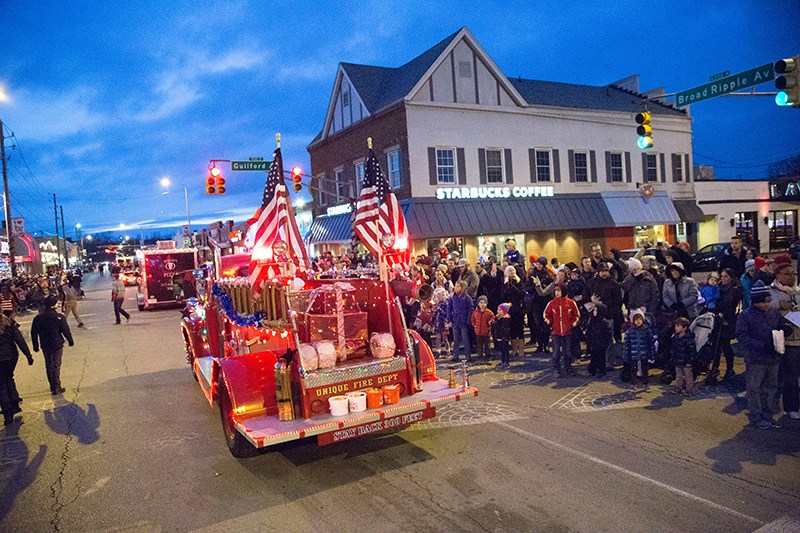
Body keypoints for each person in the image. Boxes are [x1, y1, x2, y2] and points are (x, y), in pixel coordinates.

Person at [736, 280, 791, 429]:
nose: (766, 305)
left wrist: (785, 327)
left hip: (773, 358)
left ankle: (768, 415)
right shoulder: (745, 316)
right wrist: (761, 346)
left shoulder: (772, 311)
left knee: (771, 387)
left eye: (768, 301)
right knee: (755, 388)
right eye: (763, 302)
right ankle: (755, 415)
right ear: (755, 302)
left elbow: (782, 322)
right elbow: (741, 336)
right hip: (756, 359)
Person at [768, 256, 800, 420]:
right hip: (782, 340)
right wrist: (777, 305)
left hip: (798, 339)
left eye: (793, 273)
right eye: (787, 273)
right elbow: (760, 306)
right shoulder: (771, 291)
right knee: (786, 377)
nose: (791, 276)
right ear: (778, 275)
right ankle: (788, 407)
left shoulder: (798, 291)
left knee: (791, 376)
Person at [31, 295, 74, 395]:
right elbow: (65, 330)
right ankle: (56, 386)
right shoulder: (59, 317)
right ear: (54, 305)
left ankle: (52, 385)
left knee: (48, 364)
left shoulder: (38, 318)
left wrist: (35, 345)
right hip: (56, 343)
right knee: (56, 365)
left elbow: (34, 333)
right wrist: (70, 340)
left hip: (45, 343)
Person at [709, 268, 743, 382]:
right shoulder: (720, 287)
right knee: (715, 345)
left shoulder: (734, 290)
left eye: (726, 276)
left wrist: (721, 311)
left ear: (731, 278)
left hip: (728, 321)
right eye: (722, 276)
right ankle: (715, 367)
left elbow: (728, 304)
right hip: (718, 319)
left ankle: (729, 369)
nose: (723, 279)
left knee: (725, 345)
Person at [0, 312, 33, 425]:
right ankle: (14, 403)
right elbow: (19, 340)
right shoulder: (9, 322)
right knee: (9, 377)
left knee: (1, 384)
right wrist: (28, 355)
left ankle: (7, 412)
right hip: (11, 356)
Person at [543, 284, 580, 377]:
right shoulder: (551, 303)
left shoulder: (571, 303)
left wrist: (571, 324)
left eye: (558, 290)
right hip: (555, 332)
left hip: (567, 332)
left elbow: (576, 315)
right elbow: (546, 315)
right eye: (555, 291)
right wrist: (550, 323)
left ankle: (568, 367)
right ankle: (556, 368)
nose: (556, 292)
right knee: (556, 352)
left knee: (567, 351)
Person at [583, 262, 624, 342]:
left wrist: (603, 304)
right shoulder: (591, 283)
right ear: (598, 272)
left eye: (606, 271)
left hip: (609, 315)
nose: (605, 273)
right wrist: (591, 299)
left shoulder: (613, 284)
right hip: (594, 317)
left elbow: (618, 300)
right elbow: (584, 297)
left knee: (609, 338)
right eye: (602, 271)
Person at [623, 309, 656, 391]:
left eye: (640, 319)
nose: (638, 321)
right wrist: (626, 356)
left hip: (644, 354)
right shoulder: (630, 332)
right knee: (633, 370)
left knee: (645, 370)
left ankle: (646, 384)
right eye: (636, 319)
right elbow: (626, 345)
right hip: (633, 355)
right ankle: (633, 384)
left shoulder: (647, 331)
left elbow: (650, 343)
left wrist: (652, 355)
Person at [501, 266, 526, 358]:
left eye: (513, 270)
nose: (511, 272)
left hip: (518, 309)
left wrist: (515, 288)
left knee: (519, 329)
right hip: (509, 309)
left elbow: (522, 293)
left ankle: (521, 349)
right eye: (509, 271)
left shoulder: (519, 282)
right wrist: (507, 285)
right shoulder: (505, 282)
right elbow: (503, 296)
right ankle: (514, 349)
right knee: (512, 330)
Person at [446, 280, 474, 363]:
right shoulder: (453, 297)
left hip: (463, 321)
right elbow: (449, 309)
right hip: (455, 321)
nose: (455, 288)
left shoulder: (467, 298)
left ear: (462, 288)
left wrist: (468, 321)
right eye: (455, 286)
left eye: (458, 286)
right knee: (456, 339)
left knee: (465, 339)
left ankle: (468, 356)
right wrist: (449, 320)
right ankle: (455, 355)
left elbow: (470, 309)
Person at [585, 303, 612, 379]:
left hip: (600, 344)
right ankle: (592, 370)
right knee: (593, 357)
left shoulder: (604, 322)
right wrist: (588, 339)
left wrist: (604, 344)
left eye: (596, 310)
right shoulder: (592, 320)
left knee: (601, 358)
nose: (594, 311)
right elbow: (589, 330)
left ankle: (601, 371)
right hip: (593, 343)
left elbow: (607, 334)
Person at [671, 317, 696, 397]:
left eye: (678, 326)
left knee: (688, 376)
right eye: (675, 326)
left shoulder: (688, 339)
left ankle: (689, 390)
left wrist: (689, 362)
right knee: (678, 376)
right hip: (678, 360)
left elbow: (692, 351)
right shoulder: (676, 337)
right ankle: (678, 388)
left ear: (684, 328)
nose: (676, 328)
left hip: (685, 361)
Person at [471, 295, 493, 365]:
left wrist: (490, 327)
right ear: (478, 303)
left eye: (484, 303)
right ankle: (479, 357)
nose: (482, 304)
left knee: (487, 345)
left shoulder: (489, 313)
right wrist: (474, 325)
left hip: (486, 332)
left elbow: (492, 320)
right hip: (478, 332)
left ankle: (488, 357)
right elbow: (473, 319)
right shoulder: (475, 312)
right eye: (481, 302)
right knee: (479, 345)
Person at [430, 288, 451, 359]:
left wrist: (439, 309)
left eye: (437, 296)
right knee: (438, 339)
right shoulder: (436, 304)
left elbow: (445, 314)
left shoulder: (445, 303)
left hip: (443, 323)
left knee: (444, 339)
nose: (436, 298)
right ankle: (438, 352)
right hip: (437, 324)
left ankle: (448, 351)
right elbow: (434, 314)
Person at [494, 303, 512, 370]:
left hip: (504, 336)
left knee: (505, 349)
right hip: (499, 336)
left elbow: (503, 328)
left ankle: (506, 361)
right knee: (501, 349)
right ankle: (503, 360)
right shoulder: (497, 318)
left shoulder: (506, 319)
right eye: (498, 309)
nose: (498, 311)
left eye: (500, 310)